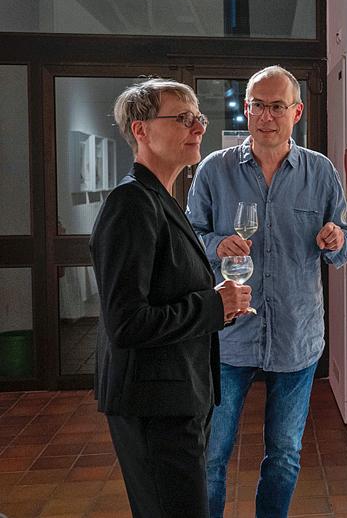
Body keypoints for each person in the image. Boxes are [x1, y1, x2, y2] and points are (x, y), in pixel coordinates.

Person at [186, 65, 347, 517]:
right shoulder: (213, 171)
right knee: (211, 457)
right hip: (227, 338)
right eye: (258, 105)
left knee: (283, 456)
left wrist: (337, 240)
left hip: (296, 338)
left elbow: (345, 244)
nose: (267, 116)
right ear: (246, 110)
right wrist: (214, 244)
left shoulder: (320, 172)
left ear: (295, 112)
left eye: (277, 106)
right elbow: (187, 240)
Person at [90, 78, 252, 518]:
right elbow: (127, 322)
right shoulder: (131, 203)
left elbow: (169, 290)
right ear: (140, 129)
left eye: (197, 117)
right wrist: (214, 306)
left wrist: (217, 304)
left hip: (174, 395)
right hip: (153, 404)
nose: (197, 126)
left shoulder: (162, 198)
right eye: (182, 118)